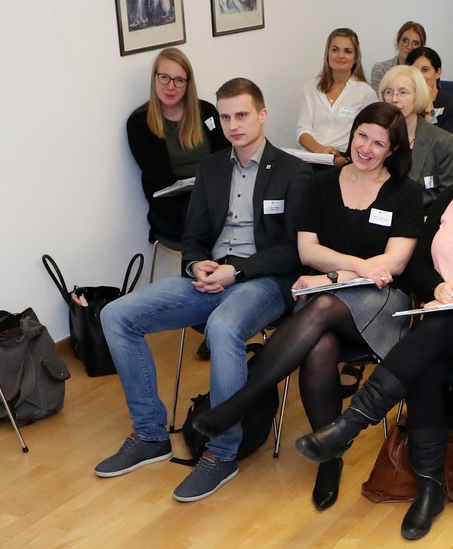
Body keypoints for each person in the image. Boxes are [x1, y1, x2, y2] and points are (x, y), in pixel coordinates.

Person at [291, 105, 453, 541]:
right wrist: (436, 288)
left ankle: (351, 423)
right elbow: (414, 263)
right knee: (428, 358)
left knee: (434, 332)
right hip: (445, 319)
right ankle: (429, 489)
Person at [189, 102, 425, 510]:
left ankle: (240, 402)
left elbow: (394, 266)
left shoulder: (406, 192)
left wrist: (331, 279)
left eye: (378, 142)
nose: (366, 148)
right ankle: (329, 457)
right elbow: (307, 249)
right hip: (330, 292)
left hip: (382, 303)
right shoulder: (322, 183)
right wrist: (349, 269)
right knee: (319, 346)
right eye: (361, 136)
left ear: (393, 149)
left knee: (319, 309)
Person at [96, 78, 313, 501]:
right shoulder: (212, 168)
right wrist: (198, 263)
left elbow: (294, 252)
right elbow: (192, 237)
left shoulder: (293, 171)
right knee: (115, 315)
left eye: (243, 115)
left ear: (263, 115)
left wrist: (236, 270)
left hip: (264, 280)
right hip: (209, 277)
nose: (233, 125)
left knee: (222, 328)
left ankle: (221, 452)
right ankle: (150, 435)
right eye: (227, 116)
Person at [125, 48, 221, 244]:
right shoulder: (139, 122)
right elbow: (159, 180)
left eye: (179, 80)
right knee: (217, 222)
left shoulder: (206, 111)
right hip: (171, 209)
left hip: (214, 197)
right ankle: (211, 270)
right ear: (154, 78)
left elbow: (225, 157)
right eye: (164, 78)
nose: (171, 86)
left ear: (188, 84)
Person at [379, 64, 453, 206]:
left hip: (422, 220)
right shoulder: (374, 135)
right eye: (389, 92)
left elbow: (449, 197)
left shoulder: (442, 141)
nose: (394, 99)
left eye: (403, 92)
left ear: (418, 96)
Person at [297, 27, 378, 162]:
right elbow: (302, 130)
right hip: (312, 155)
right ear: (327, 54)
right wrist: (319, 150)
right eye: (335, 50)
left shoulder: (365, 93)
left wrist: (346, 159)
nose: (340, 55)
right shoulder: (311, 87)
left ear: (356, 58)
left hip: (345, 159)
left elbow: (372, 135)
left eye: (347, 51)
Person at [405, 46, 453, 135]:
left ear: (438, 73)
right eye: (414, 71)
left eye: (425, 70)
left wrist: (429, 108)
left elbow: (440, 144)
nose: (419, 76)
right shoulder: (404, 102)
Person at [367, 21, 426, 87]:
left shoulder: (424, 72)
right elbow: (378, 96)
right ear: (398, 43)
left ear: (421, 48)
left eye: (415, 43)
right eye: (405, 40)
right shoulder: (381, 69)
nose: (409, 47)